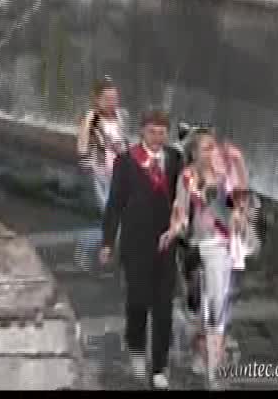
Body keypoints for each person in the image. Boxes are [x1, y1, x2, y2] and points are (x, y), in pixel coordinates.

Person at [159, 129, 260, 384]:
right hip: (200, 245)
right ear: (194, 153)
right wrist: (174, 228)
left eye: (214, 147)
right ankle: (208, 353)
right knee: (206, 303)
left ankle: (212, 361)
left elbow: (241, 199)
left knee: (216, 304)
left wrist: (239, 163)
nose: (213, 152)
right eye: (206, 148)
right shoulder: (188, 177)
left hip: (228, 245)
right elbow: (180, 210)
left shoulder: (225, 174)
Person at [100, 109, 183, 390]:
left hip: (166, 246)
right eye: (152, 132)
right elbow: (114, 205)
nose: (158, 138)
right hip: (135, 246)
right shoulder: (126, 162)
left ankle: (159, 367)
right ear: (142, 132)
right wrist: (107, 241)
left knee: (163, 309)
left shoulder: (175, 160)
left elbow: (185, 200)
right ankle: (136, 349)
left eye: (162, 132)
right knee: (137, 303)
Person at [75, 76, 129, 271]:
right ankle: (86, 247)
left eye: (114, 98)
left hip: (120, 174)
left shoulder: (121, 116)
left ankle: (109, 256)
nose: (112, 102)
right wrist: (88, 169)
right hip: (101, 174)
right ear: (97, 99)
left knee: (119, 217)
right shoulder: (92, 118)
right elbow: (82, 146)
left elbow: (124, 141)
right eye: (107, 99)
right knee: (110, 217)